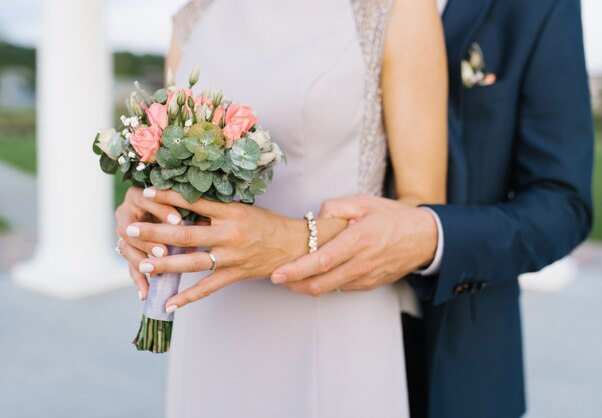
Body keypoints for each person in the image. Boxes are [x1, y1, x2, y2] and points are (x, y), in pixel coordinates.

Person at [116, 0, 448, 417]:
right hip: (208, 320)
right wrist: (146, 207)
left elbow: (421, 211)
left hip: (330, 319)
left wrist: (290, 241)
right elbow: (172, 158)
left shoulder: (395, 8)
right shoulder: (195, 15)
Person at [270, 0, 595, 417]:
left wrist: (431, 236)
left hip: (456, 356)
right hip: (301, 330)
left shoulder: (539, 8)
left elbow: (562, 204)